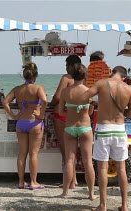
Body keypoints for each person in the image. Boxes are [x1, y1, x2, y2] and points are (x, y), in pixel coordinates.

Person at [79, 66, 131, 211]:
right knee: (121, 168)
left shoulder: (102, 83)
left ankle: (103, 205)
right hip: (119, 130)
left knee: (102, 168)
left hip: (103, 129)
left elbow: (84, 97)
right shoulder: (128, 89)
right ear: (123, 77)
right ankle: (124, 205)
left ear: (112, 73)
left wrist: (96, 102)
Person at [3, 62, 48, 190]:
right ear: (35, 76)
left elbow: (5, 102)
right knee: (33, 153)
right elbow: (44, 100)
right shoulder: (38, 88)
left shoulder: (17, 89)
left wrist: (13, 116)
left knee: (22, 153)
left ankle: (21, 182)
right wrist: (41, 114)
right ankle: (33, 182)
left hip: (21, 122)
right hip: (34, 122)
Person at [57, 63, 97, 200]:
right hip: (85, 127)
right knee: (88, 161)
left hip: (70, 127)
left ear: (72, 75)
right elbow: (91, 112)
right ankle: (91, 194)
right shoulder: (89, 91)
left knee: (69, 160)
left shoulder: (65, 92)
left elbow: (60, 111)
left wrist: (71, 110)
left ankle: (65, 192)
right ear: (85, 75)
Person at [48, 54, 81, 188]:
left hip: (62, 116)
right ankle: (74, 179)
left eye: (67, 65)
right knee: (74, 150)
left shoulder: (66, 78)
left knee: (66, 150)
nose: (66, 68)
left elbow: (57, 96)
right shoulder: (82, 78)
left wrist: (51, 103)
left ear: (72, 65)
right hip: (76, 116)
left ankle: (70, 182)